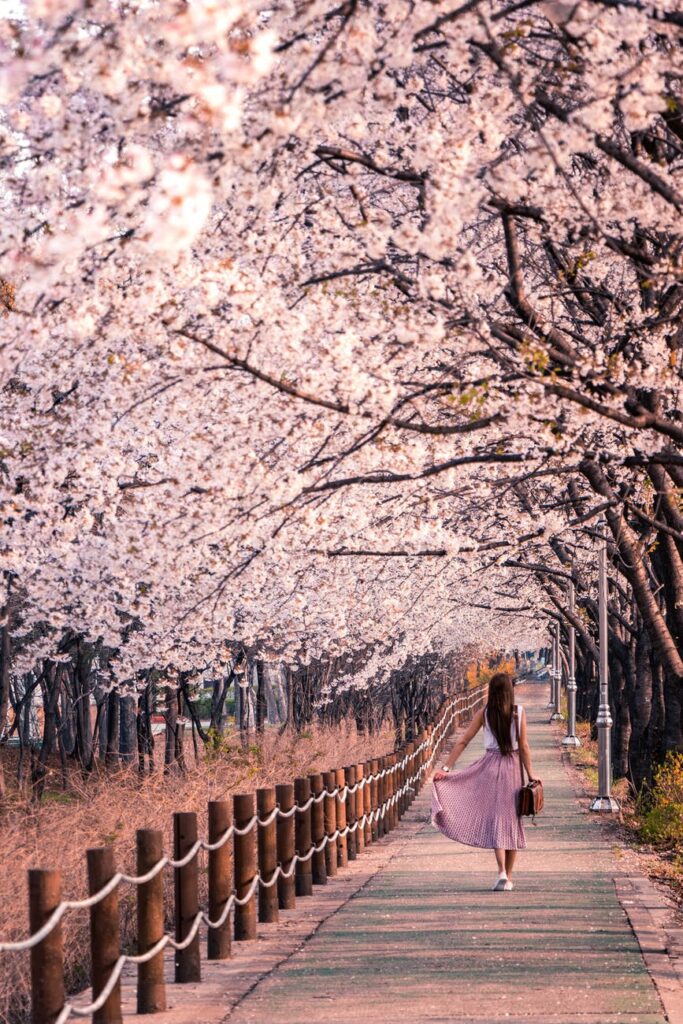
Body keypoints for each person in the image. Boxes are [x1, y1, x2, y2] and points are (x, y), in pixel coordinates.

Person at [432, 672, 536, 891]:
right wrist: (531, 775)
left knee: (495, 818)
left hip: (489, 766)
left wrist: (446, 768)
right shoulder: (518, 713)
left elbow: (463, 740)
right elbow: (524, 746)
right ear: (510, 691)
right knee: (512, 820)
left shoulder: (484, 713)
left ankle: (500, 872)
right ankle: (509, 876)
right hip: (512, 769)